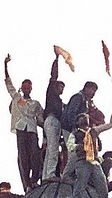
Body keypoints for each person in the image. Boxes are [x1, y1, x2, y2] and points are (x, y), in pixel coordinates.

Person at [67, 98, 112, 198]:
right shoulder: (75, 134)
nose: (85, 118)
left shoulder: (94, 131)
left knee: (103, 189)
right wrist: (79, 146)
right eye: (82, 118)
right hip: (82, 162)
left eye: (86, 117)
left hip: (95, 163)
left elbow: (111, 123)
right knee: (79, 188)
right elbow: (70, 146)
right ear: (78, 122)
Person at [4, 54, 44, 193]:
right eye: (24, 87)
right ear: (22, 88)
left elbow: (41, 119)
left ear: (31, 88)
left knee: (35, 154)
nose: (26, 89)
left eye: (29, 87)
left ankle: (34, 180)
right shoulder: (18, 99)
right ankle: (27, 183)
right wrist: (6, 66)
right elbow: (9, 85)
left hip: (32, 130)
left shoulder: (35, 104)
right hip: (21, 129)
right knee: (23, 157)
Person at [60, 81, 102, 184]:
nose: (93, 93)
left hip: (73, 128)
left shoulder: (84, 101)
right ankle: (66, 176)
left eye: (95, 91)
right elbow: (71, 112)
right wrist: (74, 127)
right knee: (73, 152)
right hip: (69, 128)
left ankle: (71, 175)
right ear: (86, 88)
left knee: (76, 152)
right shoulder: (78, 97)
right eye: (92, 89)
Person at [41, 46, 67, 183]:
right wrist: (57, 59)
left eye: (63, 87)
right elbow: (53, 76)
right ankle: (50, 174)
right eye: (60, 86)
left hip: (54, 121)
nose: (61, 89)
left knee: (51, 148)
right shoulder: (51, 94)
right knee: (53, 148)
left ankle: (46, 175)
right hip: (52, 120)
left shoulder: (59, 101)